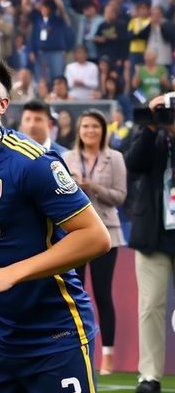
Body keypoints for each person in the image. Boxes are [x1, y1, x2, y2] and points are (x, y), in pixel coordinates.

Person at [0, 51, 110, 390]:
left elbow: (96, 236)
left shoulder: (32, 162)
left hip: (55, 335)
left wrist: (10, 274)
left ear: (2, 105)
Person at [62, 109, 127, 376]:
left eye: (95, 127)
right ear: (79, 130)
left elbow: (121, 197)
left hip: (107, 236)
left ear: (103, 131)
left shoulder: (116, 158)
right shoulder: (67, 158)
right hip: (74, 236)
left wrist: (95, 188)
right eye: (86, 126)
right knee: (71, 296)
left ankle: (108, 356)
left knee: (101, 294)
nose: (90, 131)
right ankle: (70, 348)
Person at [124, 93, 175, 393]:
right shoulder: (151, 135)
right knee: (150, 306)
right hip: (153, 233)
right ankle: (149, 377)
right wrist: (152, 128)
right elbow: (133, 162)